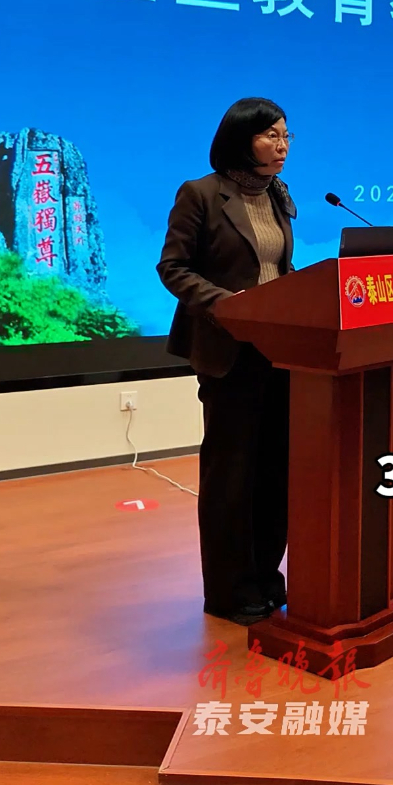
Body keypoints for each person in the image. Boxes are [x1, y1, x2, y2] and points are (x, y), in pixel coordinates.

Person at [157, 98, 296, 626]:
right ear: (241, 139)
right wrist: (225, 303)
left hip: (281, 350)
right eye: (271, 135)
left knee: (274, 471)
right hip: (228, 350)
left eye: (286, 135)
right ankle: (228, 590)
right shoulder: (201, 194)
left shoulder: (278, 194)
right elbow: (173, 267)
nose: (282, 146)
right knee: (231, 474)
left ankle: (266, 577)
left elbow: (276, 269)